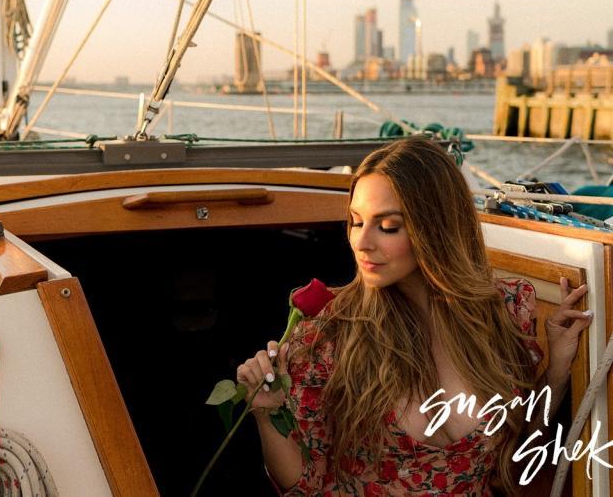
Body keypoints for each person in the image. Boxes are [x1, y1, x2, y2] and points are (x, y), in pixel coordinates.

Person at [237, 137, 592, 495]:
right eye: (356, 222)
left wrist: (558, 371)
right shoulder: (327, 339)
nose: (361, 242)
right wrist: (267, 414)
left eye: (387, 226)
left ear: (436, 228)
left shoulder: (506, 311)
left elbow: (521, 446)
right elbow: (306, 488)